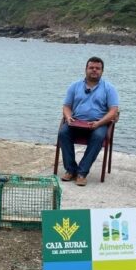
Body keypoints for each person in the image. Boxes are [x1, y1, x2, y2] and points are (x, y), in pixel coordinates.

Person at [58, 56, 119, 186]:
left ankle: (82, 173)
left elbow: (113, 111)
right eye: (91, 67)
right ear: (86, 69)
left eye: (98, 68)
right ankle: (70, 170)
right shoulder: (74, 86)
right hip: (77, 121)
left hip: (98, 123)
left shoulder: (109, 88)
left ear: (102, 71)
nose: (94, 70)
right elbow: (66, 106)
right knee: (63, 132)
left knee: (98, 136)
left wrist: (99, 123)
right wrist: (68, 117)